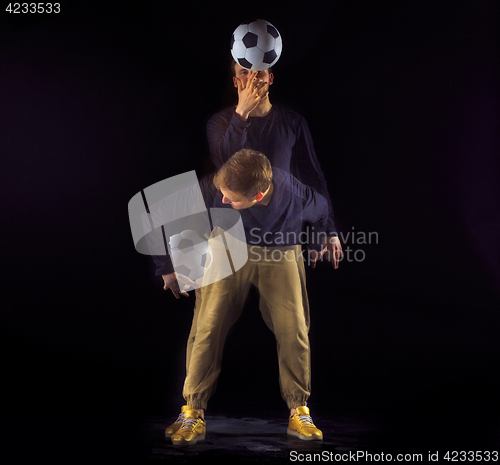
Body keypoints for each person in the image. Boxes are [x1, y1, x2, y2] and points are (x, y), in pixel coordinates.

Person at [158, 149, 334, 445]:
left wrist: (324, 235)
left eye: (231, 198)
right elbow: (175, 216)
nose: (223, 200)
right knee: (207, 328)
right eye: (222, 193)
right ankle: (192, 412)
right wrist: (169, 266)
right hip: (226, 246)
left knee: (294, 330)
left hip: (280, 250)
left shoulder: (292, 191)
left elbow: (322, 209)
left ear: (259, 194)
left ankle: (299, 410)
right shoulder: (215, 185)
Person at [206, 60, 343, 265]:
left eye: (259, 72)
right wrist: (241, 114)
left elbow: (314, 176)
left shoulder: (293, 123)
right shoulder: (219, 123)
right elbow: (228, 167)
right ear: (235, 82)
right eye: (245, 72)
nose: (252, 79)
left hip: (281, 239)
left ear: (270, 78)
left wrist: (328, 231)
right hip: (231, 238)